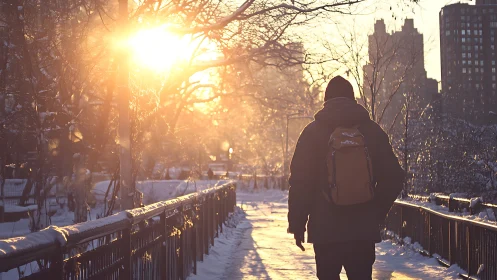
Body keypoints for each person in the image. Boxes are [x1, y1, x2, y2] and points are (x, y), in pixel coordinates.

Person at [287, 76, 404, 280]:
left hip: (325, 231)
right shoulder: (371, 132)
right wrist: (375, 210)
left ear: (326, 100)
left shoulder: (312, 133)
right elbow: (394, 176)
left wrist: (297, 225)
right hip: (361, 230)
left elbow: (300, 183)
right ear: (353, 99)